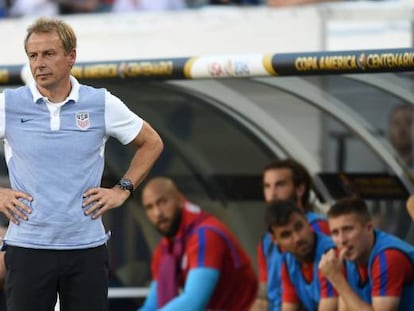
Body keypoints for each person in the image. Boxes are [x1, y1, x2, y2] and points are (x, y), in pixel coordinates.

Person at [0, 17, 163, 311]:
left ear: (71, 56)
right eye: (33, 56)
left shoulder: (100, 102)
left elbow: (152, 143)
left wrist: (122, 189)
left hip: (86, 248)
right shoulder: (8, 104)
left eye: (48, 54)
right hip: (28, 247)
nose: (39, 63)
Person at [138, 176, 258, 310]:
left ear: (179, 199)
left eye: (163, 202)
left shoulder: (205, 235)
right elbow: (151, 305)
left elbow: (193, 302)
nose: (158, 213)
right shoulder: (165, 249)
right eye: (149, 207)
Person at [253, 158, 330, 311]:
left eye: (280, 185)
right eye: (267, 187)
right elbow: (263, 297)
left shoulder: (318, 229)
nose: (272, 194)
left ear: (300, 189)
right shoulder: (266, 242)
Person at [319, 196, 414, 311]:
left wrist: (337, 280)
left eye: (348, 229)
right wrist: (339, 279)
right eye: (335, 232)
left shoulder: (388, 257)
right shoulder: (347, 257)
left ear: (368, 228)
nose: (342, 240)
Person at [264, 200, 338, 311]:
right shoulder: (288, 262)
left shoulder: (330, 253)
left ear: (307, 221)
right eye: (286, 235)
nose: (298, 238)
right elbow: (288, 307)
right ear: (274, 239)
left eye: (299, 227)